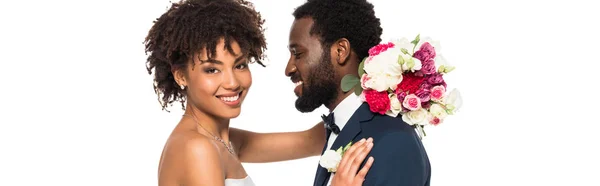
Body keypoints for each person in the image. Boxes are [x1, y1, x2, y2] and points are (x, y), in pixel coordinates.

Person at [144, 0, 374, 185]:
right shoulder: (197, 148)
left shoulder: (226, 140)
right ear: (181, 76)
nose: (232, 82)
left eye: (240, 65)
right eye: (212, 69)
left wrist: (384, 86)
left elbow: (312, 140)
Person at [284, 0, 432, 185]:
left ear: (340, 51)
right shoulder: (340, 128)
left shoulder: (394, 141)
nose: (288, 69)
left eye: (298, 54)